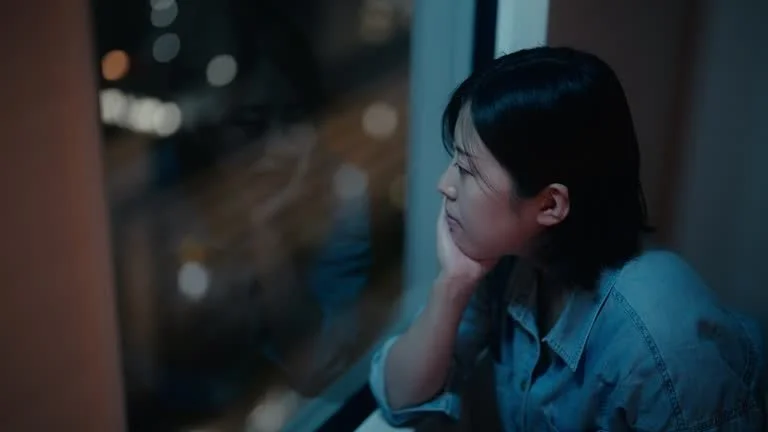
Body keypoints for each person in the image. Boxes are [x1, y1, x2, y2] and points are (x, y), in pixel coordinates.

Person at [369, 46, 766, 431]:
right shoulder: (509, 260)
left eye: (467, 171)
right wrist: (454, 282)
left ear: (550, 204)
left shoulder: (660, 340)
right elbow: (402, 398)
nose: (444, 184)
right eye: (453, 161)